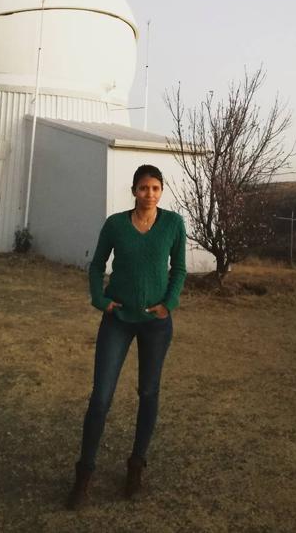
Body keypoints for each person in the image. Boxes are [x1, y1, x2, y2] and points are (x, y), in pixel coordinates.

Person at [66, 164, 187, 509]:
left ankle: (136, 466)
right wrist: (100, 300)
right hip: (118, 320)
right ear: (133, 190)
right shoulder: (116, 224)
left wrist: (170, 303)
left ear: (161, 191)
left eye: (156, 188)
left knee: (148, 393)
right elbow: (96, 265)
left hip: (155, 323)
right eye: (143, 188)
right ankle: (84, 475)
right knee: (101, 397)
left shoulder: (173, 224)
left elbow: (178, 268)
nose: (150, 194)